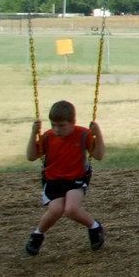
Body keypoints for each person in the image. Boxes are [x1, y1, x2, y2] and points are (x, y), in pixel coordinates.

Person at [24, 100, 106, 255]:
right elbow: (31, 156)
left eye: (61, 125)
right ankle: (37, 234)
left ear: (73, 122)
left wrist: (98, 133)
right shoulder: (48, 137)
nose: (56, 129)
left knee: (71, 209)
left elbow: (99, 155)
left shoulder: (83, 134)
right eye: (53, 125)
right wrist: (33, 133)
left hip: (76, 178)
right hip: (53, 179)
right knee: (55, 210)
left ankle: (95, 227)